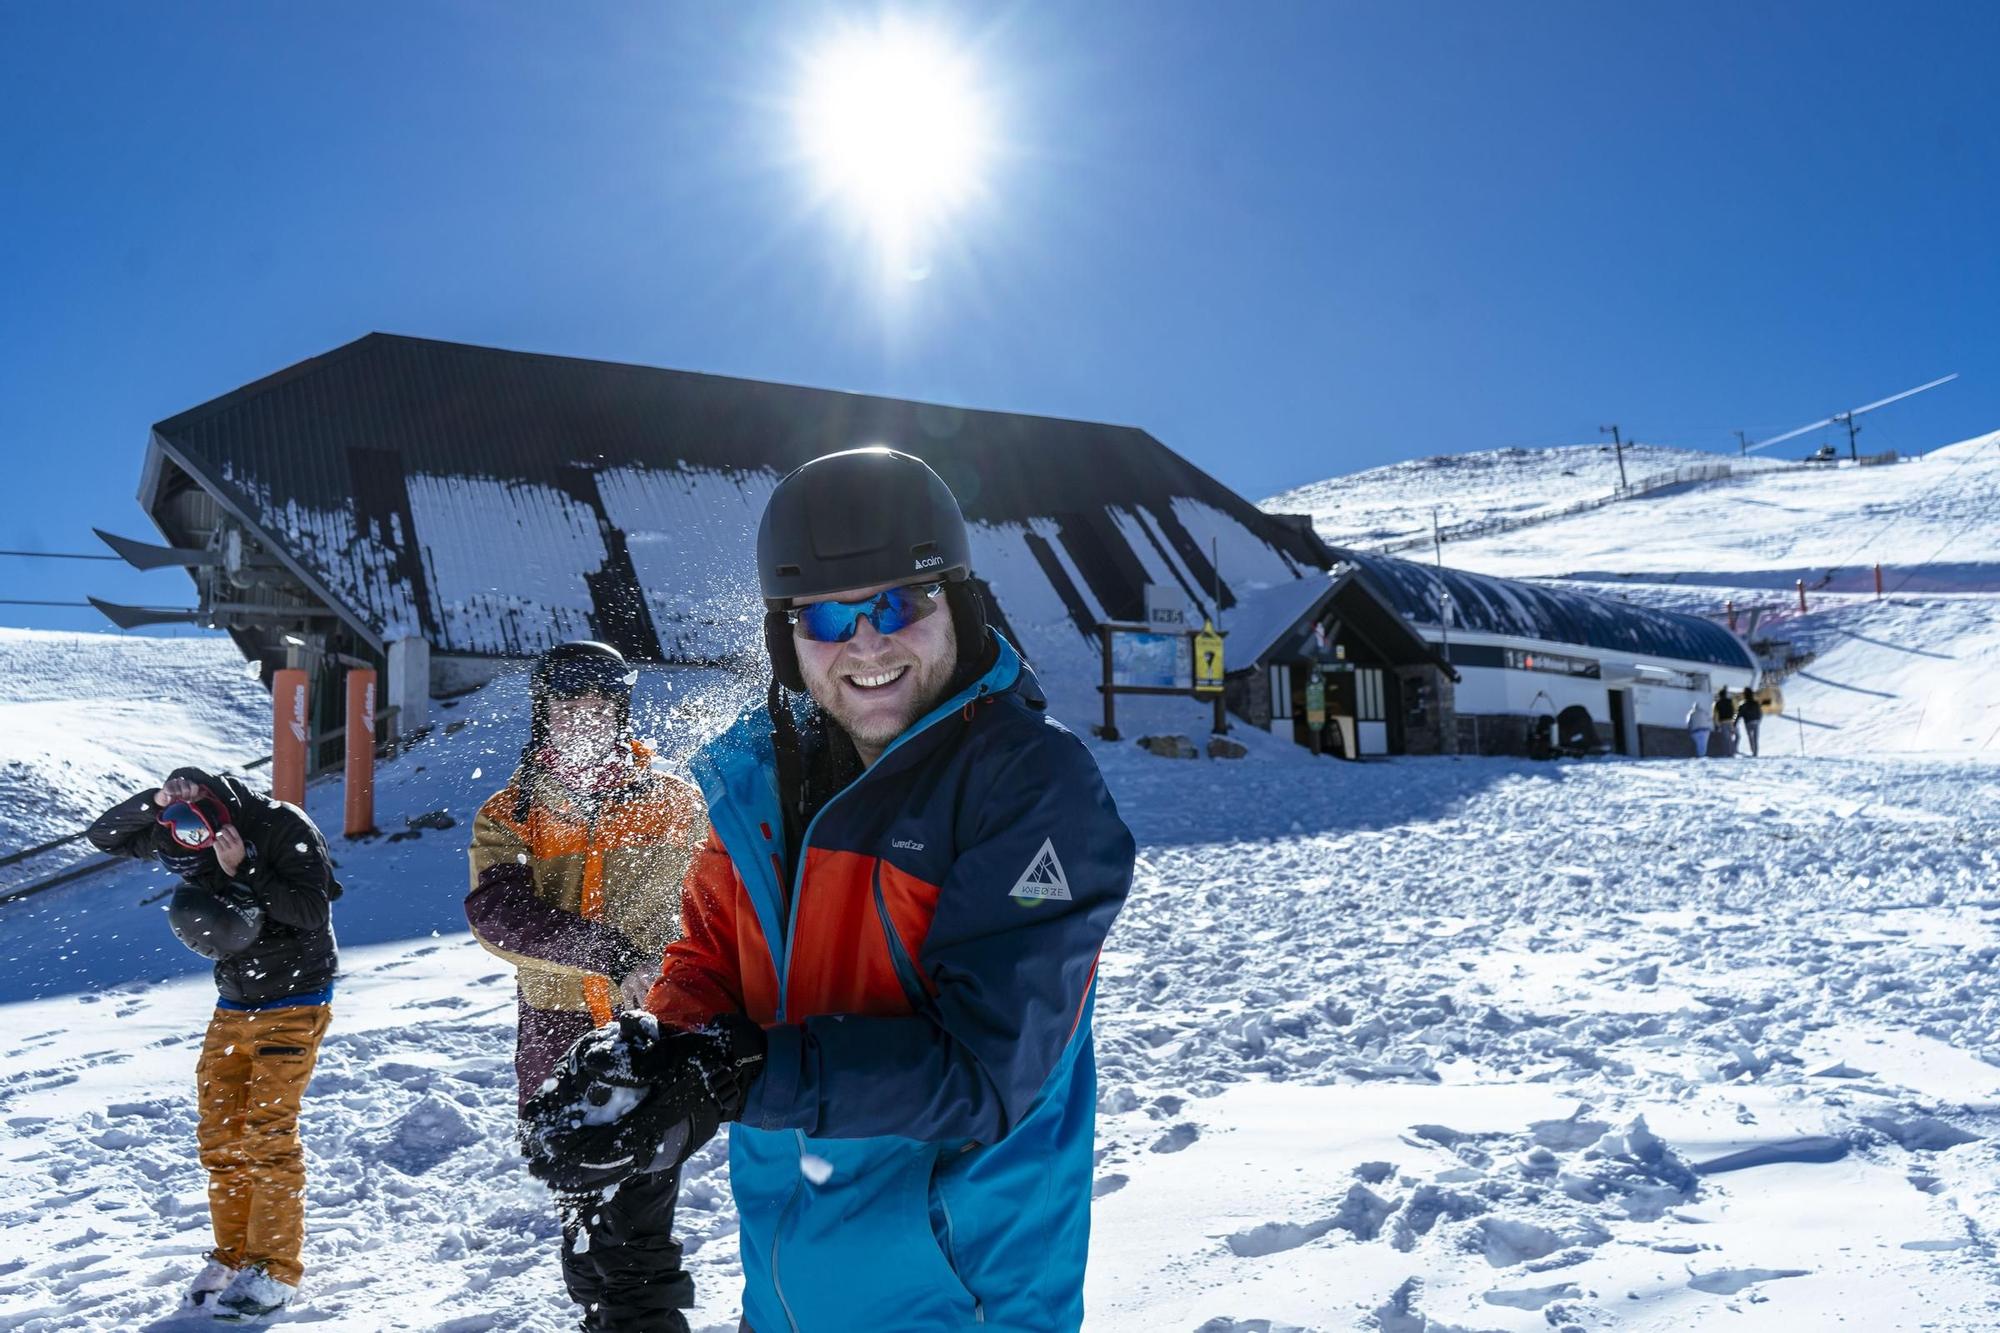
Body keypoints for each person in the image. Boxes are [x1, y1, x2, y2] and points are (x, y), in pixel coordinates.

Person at [522, 447, 1136, 1332]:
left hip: (963, 1300)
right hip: (785, 1291)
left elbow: (985, 1066)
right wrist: (646, 1094)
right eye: (830, 615)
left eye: (899, 601)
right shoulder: (762, 779)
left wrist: (736, 1075)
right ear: (788, 636)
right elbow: (708, 963)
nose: (868, 642)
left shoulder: (1031, 784)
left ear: (957, 601)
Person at [466, 641, 709, 1333]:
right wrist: (610, 954)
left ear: (619, 711)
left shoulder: (672, 801)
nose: (583, 720)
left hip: (649, 1027)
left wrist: (675, 966)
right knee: (583, 1204)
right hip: (560, 1033)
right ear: (543, 713)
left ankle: (636, 1318)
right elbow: (498, 914)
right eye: (567, 706)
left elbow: (715, 894)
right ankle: (607, 1314)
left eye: (598, 706)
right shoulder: (511, 812)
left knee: (643, 1198)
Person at [86, 767, 340, 1320]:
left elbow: (311, 910)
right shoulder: (177, 825)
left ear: (219, 813)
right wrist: (153, 802)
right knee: (220, 1135)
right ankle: (235, 1255)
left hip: (294, 998)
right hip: (234, 999)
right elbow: (104, 836)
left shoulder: (279, 825)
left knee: (268, 1134)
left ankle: (274, 1269)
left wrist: (244, 867)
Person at [1711, 687, 1738, 758]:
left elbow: (1715, 715)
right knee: (1733, 737)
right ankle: (1733, 752)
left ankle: (1729, 753)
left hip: (1723, 722)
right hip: (1731, 722)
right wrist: (1734, 720)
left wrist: (1717, 724)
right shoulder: (1730, 701)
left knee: (1726, 739)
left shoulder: (1717, 703)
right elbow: (1736, 711)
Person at [1738, 685, 1764, 757]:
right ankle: (1755, 753)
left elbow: (1739, 715)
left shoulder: (1743, 705)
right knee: (1755, 738)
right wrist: (1759, 720)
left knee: (1750, 737)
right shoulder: (1756, 703)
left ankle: (1753, 751)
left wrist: (1734, 723)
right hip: (1756, 721)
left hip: (1748, 722)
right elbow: (1760, 712)